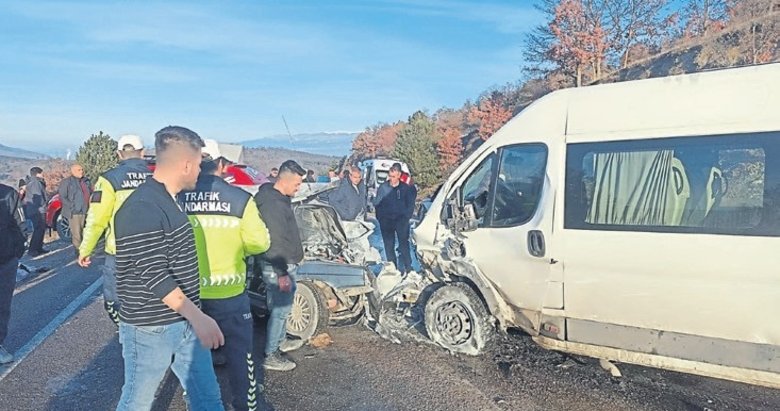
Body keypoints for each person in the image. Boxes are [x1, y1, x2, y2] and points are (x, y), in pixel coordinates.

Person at [113, 126, 224, 411]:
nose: (200, 171)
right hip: (151, 328)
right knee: (136, 401)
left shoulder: (168, 200)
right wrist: (199, 318)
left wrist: (193, 318)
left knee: (208, 398)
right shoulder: (141, 207)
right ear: (186, 164)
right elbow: (154, 275)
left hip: (184, 321)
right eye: (199, 164)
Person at [179, 139, 271, 411]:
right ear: (221, 164)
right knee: (241, 357)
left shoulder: (178, 197)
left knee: (194, 358)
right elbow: (260, 243)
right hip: (229, 294)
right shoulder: (240, 199)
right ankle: (246, 405)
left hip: (189, 296)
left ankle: (199, 403)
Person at [78, 135, 151, 327]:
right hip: (155, 251)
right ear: (142, 153)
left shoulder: (109, 179)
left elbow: (96, 220)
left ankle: (126, 333)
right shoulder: (159, 177)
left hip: (120, 253)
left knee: (115, 301)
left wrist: (85, 250)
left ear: (119, 154)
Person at [254, 160, 308, 372]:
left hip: (282, 264)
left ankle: (280, 339)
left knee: (279, 308)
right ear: (284, 180)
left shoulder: (278, 197)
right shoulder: (273, 204)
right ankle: (271, 353)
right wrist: (282, 273)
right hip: (279, 266)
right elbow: (275, 242)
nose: (298, 188)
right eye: (296, 184)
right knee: (280, 309)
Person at [373, 163, 417, 274]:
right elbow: (377, 203)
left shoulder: (404, 188)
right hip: (386, 221)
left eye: (394, 176)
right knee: (389, 245)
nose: (391, 179)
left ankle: (408, 267)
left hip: (401, 220)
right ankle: (392, 268)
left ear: (399, 175)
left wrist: (406, 216)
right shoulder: (383, 188)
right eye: (390, 176)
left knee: (404, 244)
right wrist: (381, 218)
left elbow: (410, 204)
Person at [0, 183, 26, 364]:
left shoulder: (9, 193)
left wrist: (17, 251)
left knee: (2, 305)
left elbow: (20, 223)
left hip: (5, 259)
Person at [58, 163, 91, 255]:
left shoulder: (86, 181)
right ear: (73, 171)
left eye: (82, 170)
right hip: (74, 212)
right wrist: (72, 206)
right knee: (77, 233)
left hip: (86, 210)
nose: (81, 172)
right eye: (79, 170)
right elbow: (62, 196)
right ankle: (79, 252)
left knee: (86, 231)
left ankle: (86, 250)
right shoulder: (67, 182)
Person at [22, 167, 47, 256]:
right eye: (41, 173)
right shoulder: (36, 183)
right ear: (37, 174)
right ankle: (33, 249)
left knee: (41, 229)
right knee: (38, 229)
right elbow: (39, 197)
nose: (43, 174)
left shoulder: (31, 182)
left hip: (34, 209)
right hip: (37, 210)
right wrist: (43, 205)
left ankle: (38, 248)